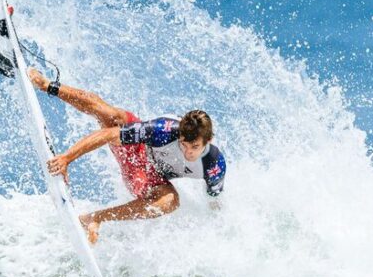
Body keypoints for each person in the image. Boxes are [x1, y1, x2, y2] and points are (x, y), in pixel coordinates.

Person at [24, 67, 226, 244]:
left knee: (171, 201)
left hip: (145, 177)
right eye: (183, 144)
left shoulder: (213, 166)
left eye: (194, 147)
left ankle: (96, 218)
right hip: (134, 152)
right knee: (114, 117)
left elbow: (213, 200)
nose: (187, 151)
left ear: (207, 141)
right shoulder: (163, 130)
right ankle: (47, 85)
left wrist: (216, 230)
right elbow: (110, 135)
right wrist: (67, 158)